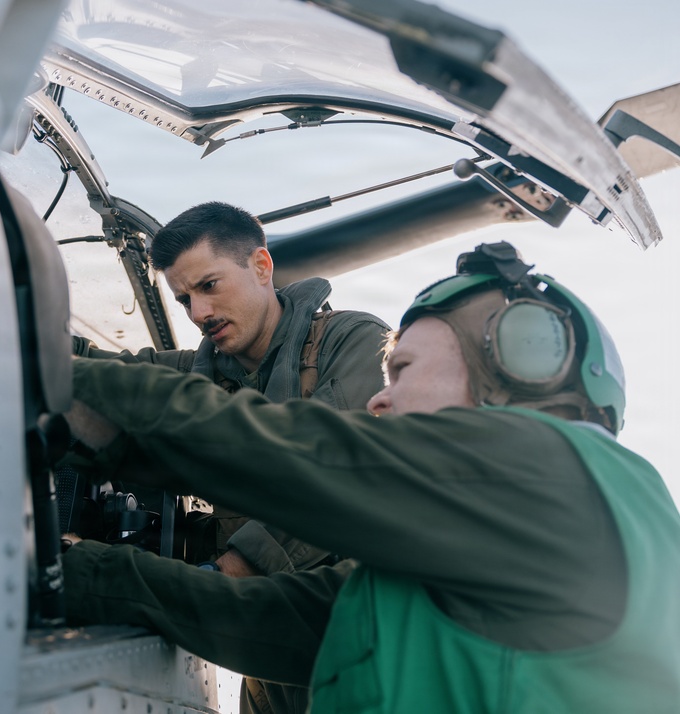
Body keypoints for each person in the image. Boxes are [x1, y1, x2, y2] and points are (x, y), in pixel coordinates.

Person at [59, 241, 680, 712]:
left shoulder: (560, 477)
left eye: (403, 371)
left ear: (520, 363)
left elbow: (295, 460)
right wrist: (80, 572)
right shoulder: (444, 561)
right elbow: (263, 621)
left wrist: (64, 387)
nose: (379, 402)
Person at [71, 201, 388, 714]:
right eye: (183, 299)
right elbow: (112, 374)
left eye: (209, 286)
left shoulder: (353, 343)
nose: (198, 313)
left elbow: (340, 476)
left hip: (357, 643)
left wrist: (222, 578)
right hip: (265, 663)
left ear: (261, 267)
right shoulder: (205, 371)